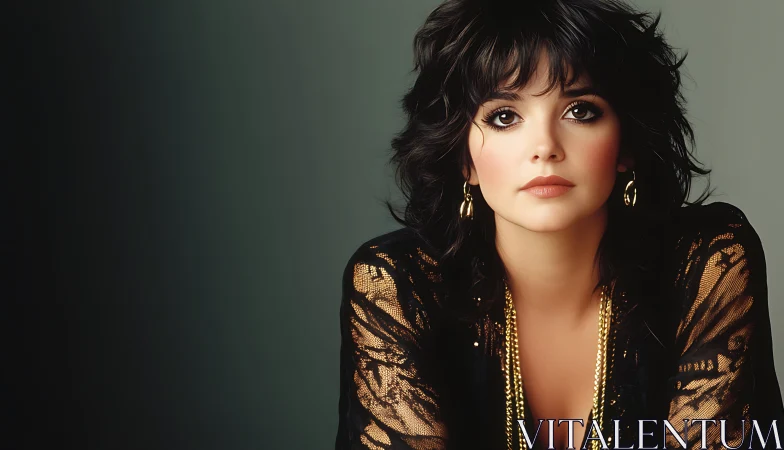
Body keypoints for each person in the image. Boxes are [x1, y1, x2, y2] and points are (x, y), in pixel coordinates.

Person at [335, 0, 784, 448]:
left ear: (626, 143)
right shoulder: (396, 284)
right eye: (505, 117)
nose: (545, 147)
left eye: (580, 111)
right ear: (462, 157)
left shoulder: (708, 262)